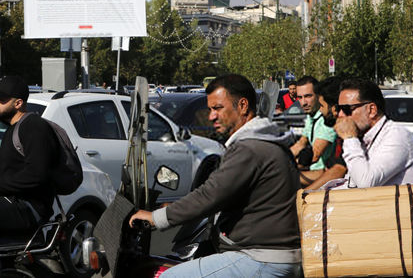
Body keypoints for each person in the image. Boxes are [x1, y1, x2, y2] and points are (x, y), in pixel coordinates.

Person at [129, 74, 301, 277]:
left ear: (243, 106)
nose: (211, 116)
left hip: (261, 257)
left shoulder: (251, 147)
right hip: (266, 252)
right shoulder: (264, 141)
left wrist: (155, 218)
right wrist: (173, 206)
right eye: (210, 109)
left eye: (218, 108)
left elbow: (211, 195)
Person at [0, 75, 59, 237]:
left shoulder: (34, 127)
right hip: (10, 202)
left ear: (18, 103)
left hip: (28, 207)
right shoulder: (13, 129)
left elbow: (37, 173)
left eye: (1, 99)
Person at [332, 78, 413, 188]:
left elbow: (366, 183)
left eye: (347, 109)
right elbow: (351, 185)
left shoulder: (397, 136)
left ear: (372, 110)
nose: (341, 115)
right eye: (338, 109)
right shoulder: (364, 138)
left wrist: (349, 138)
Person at [289, 76, 336, 186]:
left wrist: (285, 167)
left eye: (308, 96)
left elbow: (314, 155)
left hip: (323, 177)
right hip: (312, 172)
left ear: (318, 96)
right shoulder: (311, 116)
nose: (303, 102)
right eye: (299, 97)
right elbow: (301, 143)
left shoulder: (326, 119)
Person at [303, 76, 348, 190]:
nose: (320, 110)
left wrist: (305, 195)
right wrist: (291, 177)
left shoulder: (349, 134)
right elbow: (327, 172)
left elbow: (338, 170)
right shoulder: (340, 134)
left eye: (322, 106)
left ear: (333, 108)